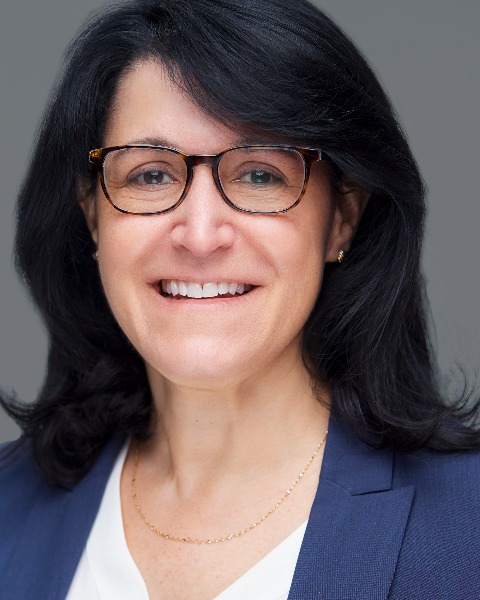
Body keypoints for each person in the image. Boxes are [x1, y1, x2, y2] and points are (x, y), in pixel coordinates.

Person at [1, 0, 479, 598]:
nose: (200, 236)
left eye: (259, 174)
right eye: (151, 175)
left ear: (342, 218)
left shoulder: (467, 532)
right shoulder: (8, 511)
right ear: (93, 215)